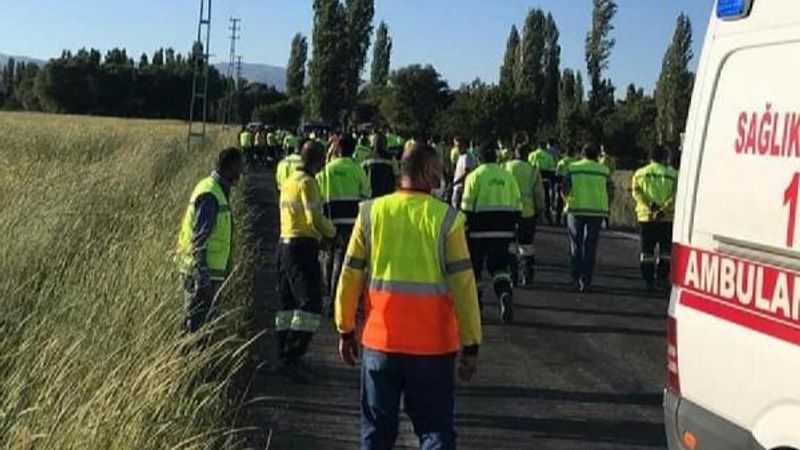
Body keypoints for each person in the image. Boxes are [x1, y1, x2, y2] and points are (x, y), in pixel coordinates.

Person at [335, 143, 482, 450]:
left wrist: (345, 329)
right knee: (435, 432)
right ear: (427, 172)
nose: (441, 178)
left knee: (376, 435)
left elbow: (350, 275)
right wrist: (471, 345)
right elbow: (465, 287)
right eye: (438, 171)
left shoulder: (371, 213)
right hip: (433, 349)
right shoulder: (447, 220)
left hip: (380, 345)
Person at [276, 140, 337, 381]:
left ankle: (284, 353)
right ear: (318, 160)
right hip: (302, 246)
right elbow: (315, 219)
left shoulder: (290, 180)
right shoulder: (309, 183)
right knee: (311, 303)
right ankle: (293, 355)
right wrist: (332, 233)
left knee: (288, 303)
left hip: (284, 245)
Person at [176, 148, 244, 332]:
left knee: (202, 326)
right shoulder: (211, 195)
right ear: (229, 168)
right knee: (195, 327)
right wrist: (203, 277)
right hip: (201, 275)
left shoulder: (216, 190)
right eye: (239, 168)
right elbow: (199, 240)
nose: (241, 173)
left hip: (208, 274)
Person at [461, 143, 522, 323]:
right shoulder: (508, 177)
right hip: (504, 232)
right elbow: (518, 207)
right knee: (500, 268)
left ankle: (477, 307)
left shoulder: (474, 177)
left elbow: (466, 208)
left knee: (476, 270)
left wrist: (465, 229)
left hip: (478, 233)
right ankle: (504, 292)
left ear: (479, 159)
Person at [317, 135, 371, 315]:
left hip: (329, 221)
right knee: (343, 262)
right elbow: (366, 195)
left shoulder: (327, 169)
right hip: (350, 223)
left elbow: (318, 194)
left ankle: (327, 295)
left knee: (327, 258)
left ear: (338, 148)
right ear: (353, 150)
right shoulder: (357, 169)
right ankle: (337, 299)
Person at [562, 144, 613, 293]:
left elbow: (565, 187)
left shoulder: (573, 168)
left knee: (576, 245)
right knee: (590, 247)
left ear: (582, 154)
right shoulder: (604, 171)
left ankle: (575, 277)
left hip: (576, 209)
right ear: (596, 156)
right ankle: (586, 279)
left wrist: (566, 201)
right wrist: (607, 205)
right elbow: (611, 190)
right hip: (597, 211)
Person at [632, 146, 678, 290]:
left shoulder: (639, 174)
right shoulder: (673, 175)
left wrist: (651, 206)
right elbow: (675, 195)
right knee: (665, 252)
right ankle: (662, 278)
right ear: (664, 157)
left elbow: (636, 193)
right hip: (666, 218)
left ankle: (648, 281)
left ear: (650, 157)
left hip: (646, 217)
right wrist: (663, 209)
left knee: (647, 251)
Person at [504, 144, 546, 287]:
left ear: (515, 153)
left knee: (510, 246)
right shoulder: (533, 170)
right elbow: (539, 193)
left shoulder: (506, 167)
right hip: (527, 213)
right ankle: (527, 276)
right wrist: (541, 209)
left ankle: (512, 276)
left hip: (509, 211)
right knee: (527, 246)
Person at [362, 132, 399, 199]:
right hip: (387, 194)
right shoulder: (391, 158)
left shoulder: (367, 159)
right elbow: (396, 176)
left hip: (372, 195)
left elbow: (363, 178)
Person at [528, 144, 557, 224]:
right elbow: (552, 170)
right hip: (545, 180)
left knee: (533, 196)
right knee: (546, 197)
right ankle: (546, 215)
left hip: (533, 179)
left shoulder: (531, 155)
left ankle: (534, 215)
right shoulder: (549, 156)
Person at [554, 148, 579, 226]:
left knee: (559, 202)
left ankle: (558, 220)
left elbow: (557, 174)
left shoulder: (561, 162)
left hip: (562, 183)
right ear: (573, 153)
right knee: (569, 202)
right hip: (572, 184)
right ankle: (567, 220)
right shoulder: (576, 162)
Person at [450, 140, 477, 209]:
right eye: (456, 146)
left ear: (464, 146)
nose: (458, 148)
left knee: (457, 210)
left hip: (461, 189)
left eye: (459, 146)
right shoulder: (461, 156)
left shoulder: (467, 157)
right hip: (457, 187)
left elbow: (466, 174)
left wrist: (455, 183)